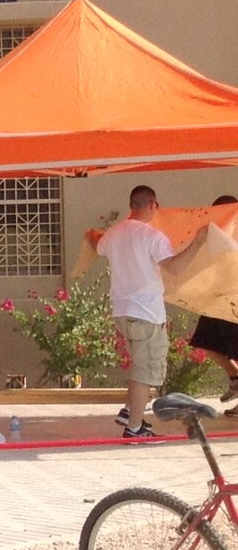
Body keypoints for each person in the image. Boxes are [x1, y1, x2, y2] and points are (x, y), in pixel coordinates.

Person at [97, 185, 178, 439]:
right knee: (145, 372)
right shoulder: (152, 236)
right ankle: (134, 427)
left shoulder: (113, 233)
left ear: (131, 205)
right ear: (153, 204)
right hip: (146, 313)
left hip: (123, 312)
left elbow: (97, 246)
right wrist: (199, 244)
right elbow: (174, 267)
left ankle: (129, 412)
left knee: (139, 367)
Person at [185, 196, 238, 407]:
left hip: (234, 301)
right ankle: (235, 377)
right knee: (205, 341)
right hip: (217, 300)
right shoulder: (211, 234)